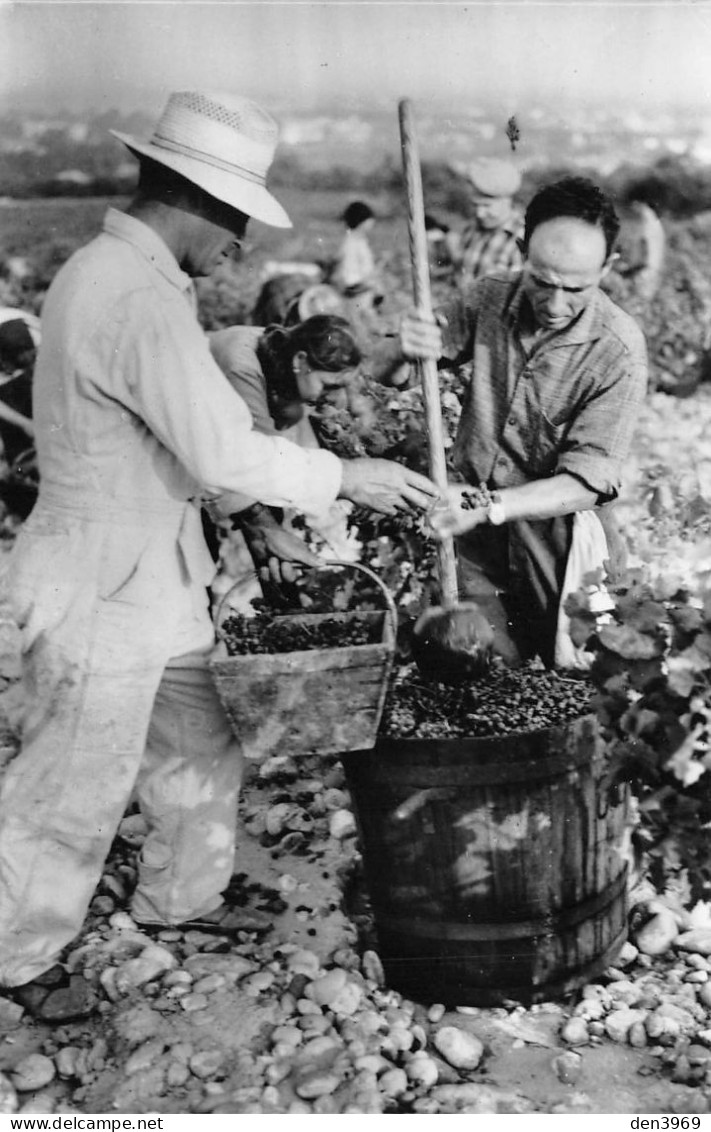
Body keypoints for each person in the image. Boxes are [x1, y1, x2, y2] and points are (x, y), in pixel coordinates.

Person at [0, 90, 438, 1019]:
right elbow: (219, 451)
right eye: (236, 217)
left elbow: (200, 453)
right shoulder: (131, 295)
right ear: (194, 198)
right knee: (71, 779)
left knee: (200, 741)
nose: (238, 241)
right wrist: (343, 475)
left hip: (156, 573)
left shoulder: (140, 280)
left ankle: (180, 901)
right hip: (97, 577)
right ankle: (16, 958)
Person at [399, 176, 648, 668]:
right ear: (520, 250)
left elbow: (586, 483)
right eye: (541, 280)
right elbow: (408, 364)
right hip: (475, 538)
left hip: (558, 538)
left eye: (576, 288)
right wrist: (408, 340)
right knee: (473, 669)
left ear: (608, 267)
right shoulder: (488, 297)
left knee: (571, 677)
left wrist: (489, 505)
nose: (554, 305)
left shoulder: (617, 351)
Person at [206, 314, 370, 593]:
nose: (335, 398)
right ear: (300, 361)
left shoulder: (282, 354)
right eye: (330, 386)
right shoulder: (242, 367)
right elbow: (251, 467)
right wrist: (268, 533)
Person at [446, 158, 525, 285]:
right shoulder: (471, 229)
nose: (479, 213)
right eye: (475, 205)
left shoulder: (521, 239)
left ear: (506, 201)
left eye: (487, 206)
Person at [329, 200, 382, 315]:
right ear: (362, 221)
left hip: (364, 290)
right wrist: (367, 283)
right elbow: (348, 274)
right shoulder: (351, 243)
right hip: (358, 293)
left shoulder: (360, 241)